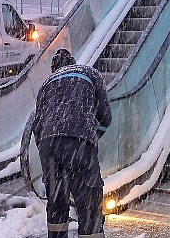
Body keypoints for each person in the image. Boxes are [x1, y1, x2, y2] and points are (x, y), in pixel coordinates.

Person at [31, 48, 112, 238]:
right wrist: (89, 138)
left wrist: (50, 154)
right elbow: (106, 118)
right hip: (80, 143)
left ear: (54, 69)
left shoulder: (47, 84)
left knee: (57, 204)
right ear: (73, 63)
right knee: (89, 206)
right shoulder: (90, 73)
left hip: (48, 144)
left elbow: (37, 125)